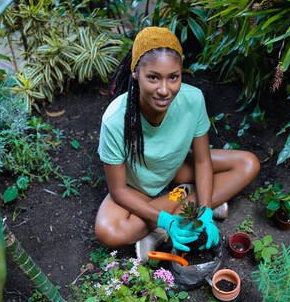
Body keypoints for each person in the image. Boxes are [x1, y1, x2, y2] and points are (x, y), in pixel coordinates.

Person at [95, 26, 260, 262]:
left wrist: (204, 213)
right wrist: (167, 220)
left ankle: (189, 209)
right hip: (136, 188)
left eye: (173, 77)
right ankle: (182, 204)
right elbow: (118, 191)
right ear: (136, 73)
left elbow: (203, 160)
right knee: (108, 232)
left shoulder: (192, 99)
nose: (164, 90)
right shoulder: (115, 120)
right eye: (153, 77)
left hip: (176, 168)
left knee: (248, 164)